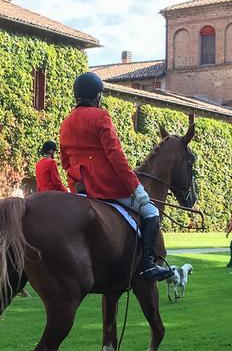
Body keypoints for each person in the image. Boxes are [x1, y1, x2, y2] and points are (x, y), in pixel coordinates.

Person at [59, 71, 172, 281]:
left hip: (81, 188)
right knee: (150, 211)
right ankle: (148, 265)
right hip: (106, 187)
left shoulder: (66, 122)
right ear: (97, 96)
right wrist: (136, 188)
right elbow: (115, 155)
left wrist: (74, 187)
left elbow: (66, 161)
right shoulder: (101, 116)